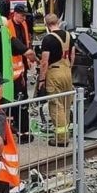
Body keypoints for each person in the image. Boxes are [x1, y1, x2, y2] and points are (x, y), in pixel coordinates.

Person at [38, 13, 74, 146]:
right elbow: (72, 56)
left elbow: (44, 62)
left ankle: (61, 139)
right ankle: (66, 134)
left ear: (47, 25)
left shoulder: (48, 39)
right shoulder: (70, 36)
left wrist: (42, 79)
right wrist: (69, 69)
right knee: (66, 104)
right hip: (67, 71)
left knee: (56, 105)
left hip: (55, 73)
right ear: (58, 21)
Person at [7, 1, 36, 143]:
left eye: (25, 16)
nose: (24, 18)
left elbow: (26, 42)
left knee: (22, 102)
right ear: (15, 14)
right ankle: (18, 132)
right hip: (12, 71)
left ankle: (23, 132)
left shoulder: (23, 25)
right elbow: (18, 45)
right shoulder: (8, 26)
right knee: (17, 103)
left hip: (21, 69)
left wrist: (28, 61)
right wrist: (32, 57)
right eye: (22, 16)